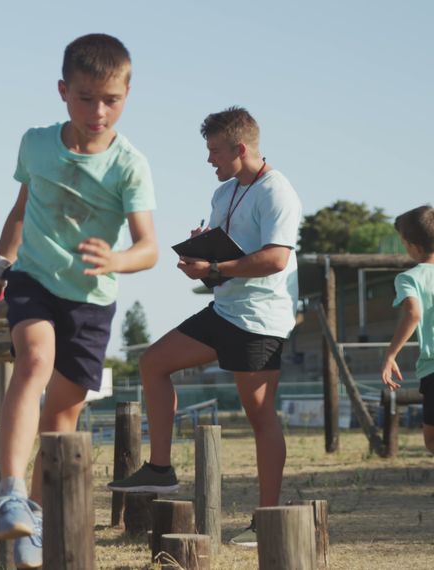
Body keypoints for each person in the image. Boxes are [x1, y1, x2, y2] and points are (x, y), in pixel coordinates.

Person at [0, 34, 158, 569]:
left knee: (63, 414)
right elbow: (21, 209)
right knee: (33, 361)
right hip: (34, 280)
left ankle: (35, 517)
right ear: (63, 91)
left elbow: (149, 248)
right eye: (85, 97)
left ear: (126, 94)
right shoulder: (35, 143)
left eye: (111, 99)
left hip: (92, 301)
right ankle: (7, 493)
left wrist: (118, 259)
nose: (98, 110)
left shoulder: (129, 165)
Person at [107, 107, 302, 548]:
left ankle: (266, 519)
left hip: (260, 320)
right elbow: (226, 259)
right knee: (154, 362)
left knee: (260, 418)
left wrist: (214, 263)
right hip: (224, 309)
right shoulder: (225, 192)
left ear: (240, 148)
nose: (209, 160)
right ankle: (160, 468)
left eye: (214, 151)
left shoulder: (278, 192)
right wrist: (201, 258)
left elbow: (276, 258)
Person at [381, 205, 434, 453]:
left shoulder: (410, 278)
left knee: (431, 440)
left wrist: (391, 354)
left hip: (433, 368)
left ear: (412, 245)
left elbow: (413, 313)